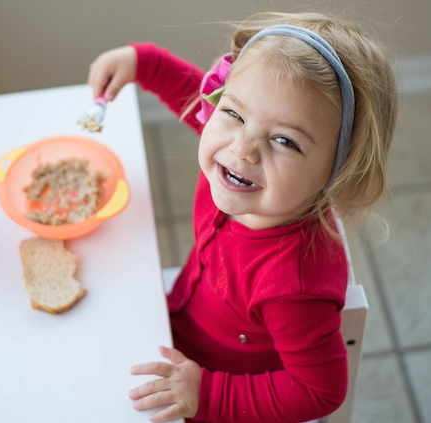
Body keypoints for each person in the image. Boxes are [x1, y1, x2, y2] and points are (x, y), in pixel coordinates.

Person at [88, 11, 398, 423]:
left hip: (212, 394)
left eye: (284, 140)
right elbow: (188, 91)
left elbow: (319, 391)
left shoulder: (294, 285)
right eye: (233, 113)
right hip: (171, 326)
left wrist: (206, 394)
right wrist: (144, 62)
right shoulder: (237, 168)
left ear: (336, 171)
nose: (243, 149)